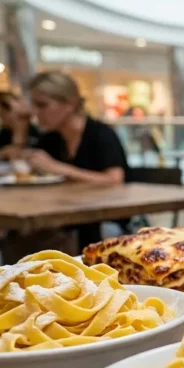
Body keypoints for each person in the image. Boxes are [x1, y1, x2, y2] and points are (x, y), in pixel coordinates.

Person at [25, 71, 129, 247]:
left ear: (69, 104)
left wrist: (58, 168)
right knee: (19, 236)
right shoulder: (51, 139)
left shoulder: (101, 134)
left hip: (105, 218)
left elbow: (114, 179)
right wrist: (20, 129)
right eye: (33, 105)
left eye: (42, 105)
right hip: (65, 214)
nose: (36, 112)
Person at [0, 92, 39, 159]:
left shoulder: (36, 132)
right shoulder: (4, 132)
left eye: (2, 113)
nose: (0, 116)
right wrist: (2, 153)